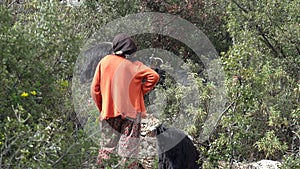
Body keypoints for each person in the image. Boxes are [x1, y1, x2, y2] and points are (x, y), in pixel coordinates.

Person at [90, 33, 160, 168]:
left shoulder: (105, 62)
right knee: (128, 152)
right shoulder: (134, 65)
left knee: (107, 149)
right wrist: (140, 91)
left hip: (109, 112)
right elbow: (154, 76)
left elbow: (95, 90)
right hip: (132, 114)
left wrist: (103, 107)